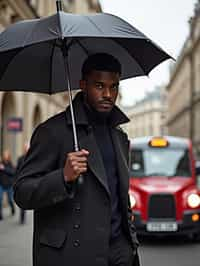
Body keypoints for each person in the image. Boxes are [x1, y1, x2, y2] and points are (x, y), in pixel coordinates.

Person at [14, 53, 140, 266]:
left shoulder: (120, 136)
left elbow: (118, 192)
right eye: (99, 85)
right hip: (73, 255)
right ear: (83, 85)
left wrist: (129, 241)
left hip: (119, 253)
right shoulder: (52, 132)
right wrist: (62, 177)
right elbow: (22, 192)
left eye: (114, 86)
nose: (108, 94)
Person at [16, 143, 29, 224]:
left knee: (24, 199)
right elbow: (17, 170)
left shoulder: (32, 158)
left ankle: (22, 217)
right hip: (21, 181)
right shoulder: (20, 159)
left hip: (28, 182)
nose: (26, 150)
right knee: (22, 199)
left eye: (27, 148)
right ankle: (22, 217)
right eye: (25, 148)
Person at [0, 150, 15, 220]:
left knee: (10, 200)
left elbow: (13, 172)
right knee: (0, 199)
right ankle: (0, 215)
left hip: (9, 185)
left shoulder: (10, 164)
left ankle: (12, 209)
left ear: (8, 156)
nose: (5, 156)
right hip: (1, 185)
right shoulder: (1, 163)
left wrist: (4, 168)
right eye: (4, 155)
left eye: (6, 155)